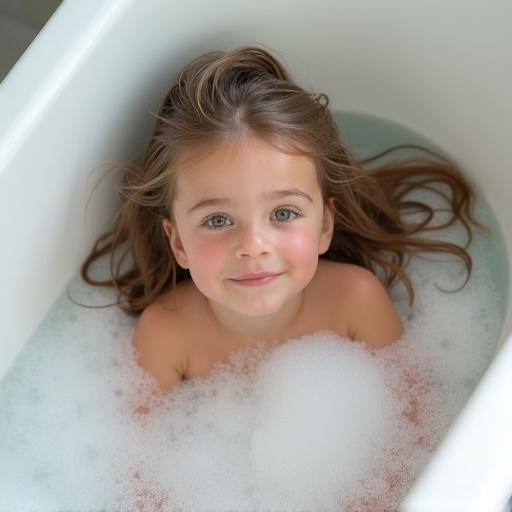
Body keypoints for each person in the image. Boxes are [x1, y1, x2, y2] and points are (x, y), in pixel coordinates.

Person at [81, 45, 482, 401]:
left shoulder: (355, 301)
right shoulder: (167, 334)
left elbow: (413, 418)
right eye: (217, 219)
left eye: (283, 213)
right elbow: (142, 470)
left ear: (325, 226)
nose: (254, 245)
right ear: (178, 242)